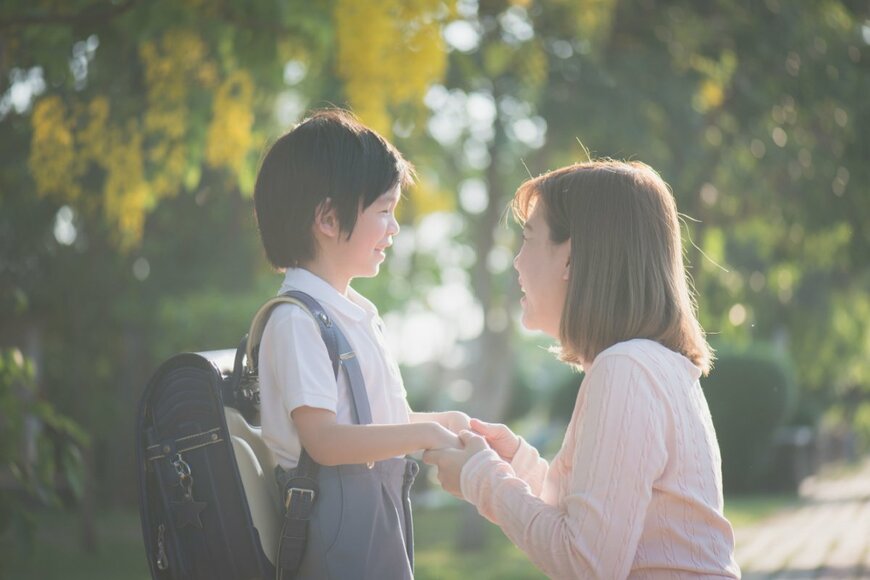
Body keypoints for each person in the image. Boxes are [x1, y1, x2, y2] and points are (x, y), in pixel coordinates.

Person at [424, 160, 741, 579]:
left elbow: (586, 564)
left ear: (571, 260)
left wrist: (479, 477)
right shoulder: (649, 364)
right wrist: (517, 464)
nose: (517, 263)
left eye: (528, 239)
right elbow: (592, 520)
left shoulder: (625, 370)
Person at [253, 109, 468, 579]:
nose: (394, 228)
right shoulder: (297, 320)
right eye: (384, 211)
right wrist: (424, 436)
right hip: (338, 541)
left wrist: (446, 423)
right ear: (329, 219)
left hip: (374, 524)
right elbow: (325, 442)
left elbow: (375, 424)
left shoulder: (354, 313)